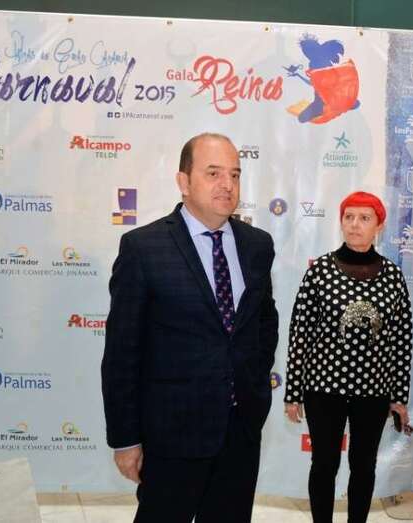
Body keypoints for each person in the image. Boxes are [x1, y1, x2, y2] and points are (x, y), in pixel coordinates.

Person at [101, 133, 278, 523]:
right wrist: (126, 439)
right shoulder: (144, 248)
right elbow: (122, 354)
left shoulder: (257, 245)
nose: (227, 184)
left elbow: (264, 321)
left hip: (240, 430)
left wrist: (252, 382)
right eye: (213, 173)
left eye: (234, 174)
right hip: (171, 434)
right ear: (183, 181)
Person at [284, 191, 413, 523]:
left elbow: (401, 341)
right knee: (324, 464)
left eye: (364, 218)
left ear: (379, 226)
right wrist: (293, 392)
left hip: (373, 391)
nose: (355, 225)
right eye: (349, 217)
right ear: (341, 222)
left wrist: (399, 396)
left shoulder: (393, 276)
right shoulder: (320, 271)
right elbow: (300, 334)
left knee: (364, 465)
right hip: (323, 389)